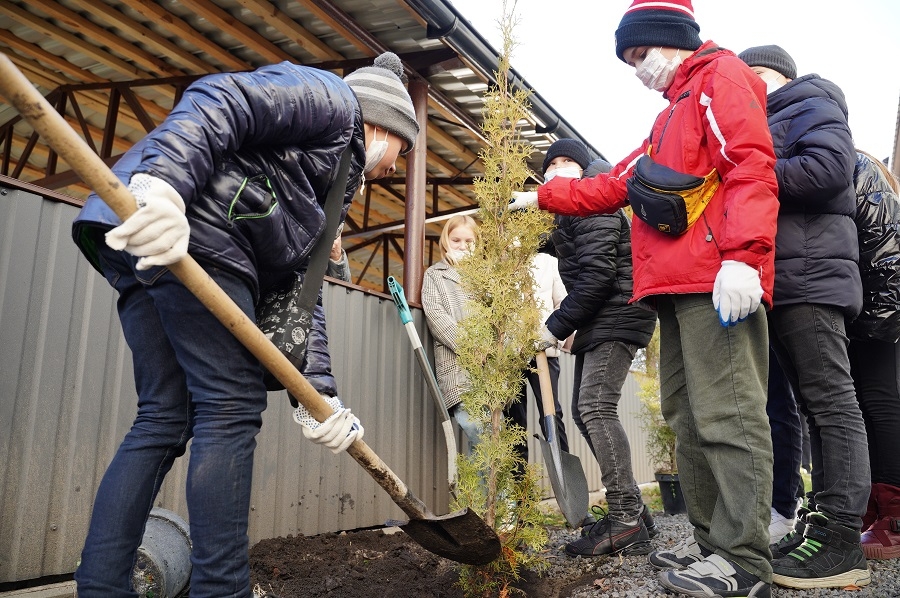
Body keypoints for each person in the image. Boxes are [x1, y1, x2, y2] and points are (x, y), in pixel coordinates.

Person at [70, 52, 419, 597]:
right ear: (381, 123)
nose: (400, 164)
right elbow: (222, 99)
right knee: (229, 407)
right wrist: (161, 184)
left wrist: (319, 397)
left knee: (163, 417)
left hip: (160, 243)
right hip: (179, 226)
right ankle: (223, 590)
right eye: (406, 145)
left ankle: (101, 587)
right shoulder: (331, 100)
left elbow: (301, 295)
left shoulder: (333, 186)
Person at [509, 1, 779, 595]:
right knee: (688, 417)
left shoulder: (721, 79)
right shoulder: (668, 117)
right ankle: (712, 549)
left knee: (728, 416)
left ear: (673, 39)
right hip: (673, 289)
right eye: (629, 61)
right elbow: (616, 182)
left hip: (717, 283)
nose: (637, 69)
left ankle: (745, 562)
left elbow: (752, 165)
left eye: (641, 54)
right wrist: (546, 198)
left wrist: (744, 257)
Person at [739, 44, 871, 589]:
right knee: (814, 409)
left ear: (776, 76)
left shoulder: (811, 103)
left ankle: (840, 537)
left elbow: (827, 170)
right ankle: (820, 522)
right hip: (789, 280)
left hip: (813, 278)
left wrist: (750, 168)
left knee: (833, 404)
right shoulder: (773, 117)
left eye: (754, 78)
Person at [535, 139, 659, 558]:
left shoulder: (594, 201)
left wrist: (554, 326)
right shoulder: (569, 213)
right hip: (601, 317)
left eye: (567, 161)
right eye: (551, 164)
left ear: (583, 168)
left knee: (594, 407)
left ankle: (625, 516)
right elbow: (562, 250)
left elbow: (599, 276)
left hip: (619, 312)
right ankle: (635, 513)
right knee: (584, 412)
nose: (558, 168)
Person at [848, 149, 900, 560]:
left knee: (879, 401)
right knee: (864, 404)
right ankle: (872, 507)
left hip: (878, 306)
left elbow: (884, 251)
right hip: (867, 302)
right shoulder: (859, 165)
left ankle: (895, 515)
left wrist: (878, 313)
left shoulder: (859, 166)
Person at [504, 249, 570, 474]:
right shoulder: (501, 261)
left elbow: (563, 304)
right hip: (510, 354)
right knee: (515, 420)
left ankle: (564, 476)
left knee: (552, 414)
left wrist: (553, 337)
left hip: (543, 351)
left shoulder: (549, 263)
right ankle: (520, 493)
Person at [421, 215, 484, 450]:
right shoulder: (435, 275)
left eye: (469, 241)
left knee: (482, 445)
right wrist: (471, 348)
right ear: (446, 240)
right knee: (478, 430)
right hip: (457, 368)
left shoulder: (485, 279)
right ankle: (503, 489)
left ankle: (475, 488)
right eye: (456, 239)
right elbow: (437, 317)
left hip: (488, 372)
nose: (462, 246)